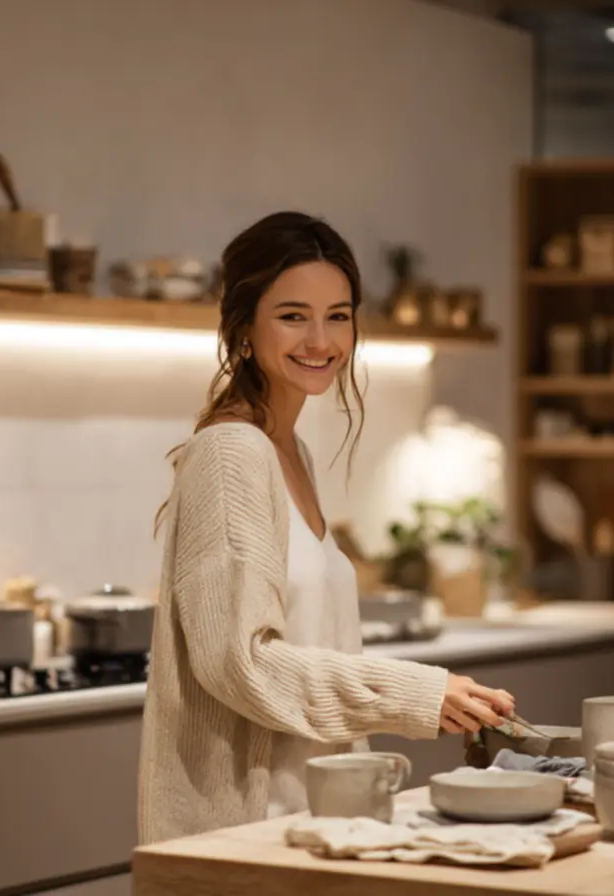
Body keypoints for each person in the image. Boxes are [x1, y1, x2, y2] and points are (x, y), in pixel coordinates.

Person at [137, 211, 516, 845]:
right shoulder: (233, 454)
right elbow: (240, 664)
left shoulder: (292, 453)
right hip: (246, 832)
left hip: (317, 818)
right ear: (245, 328)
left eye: (337, 315)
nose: (320, 339)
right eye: (293, 315)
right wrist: (416, 694)